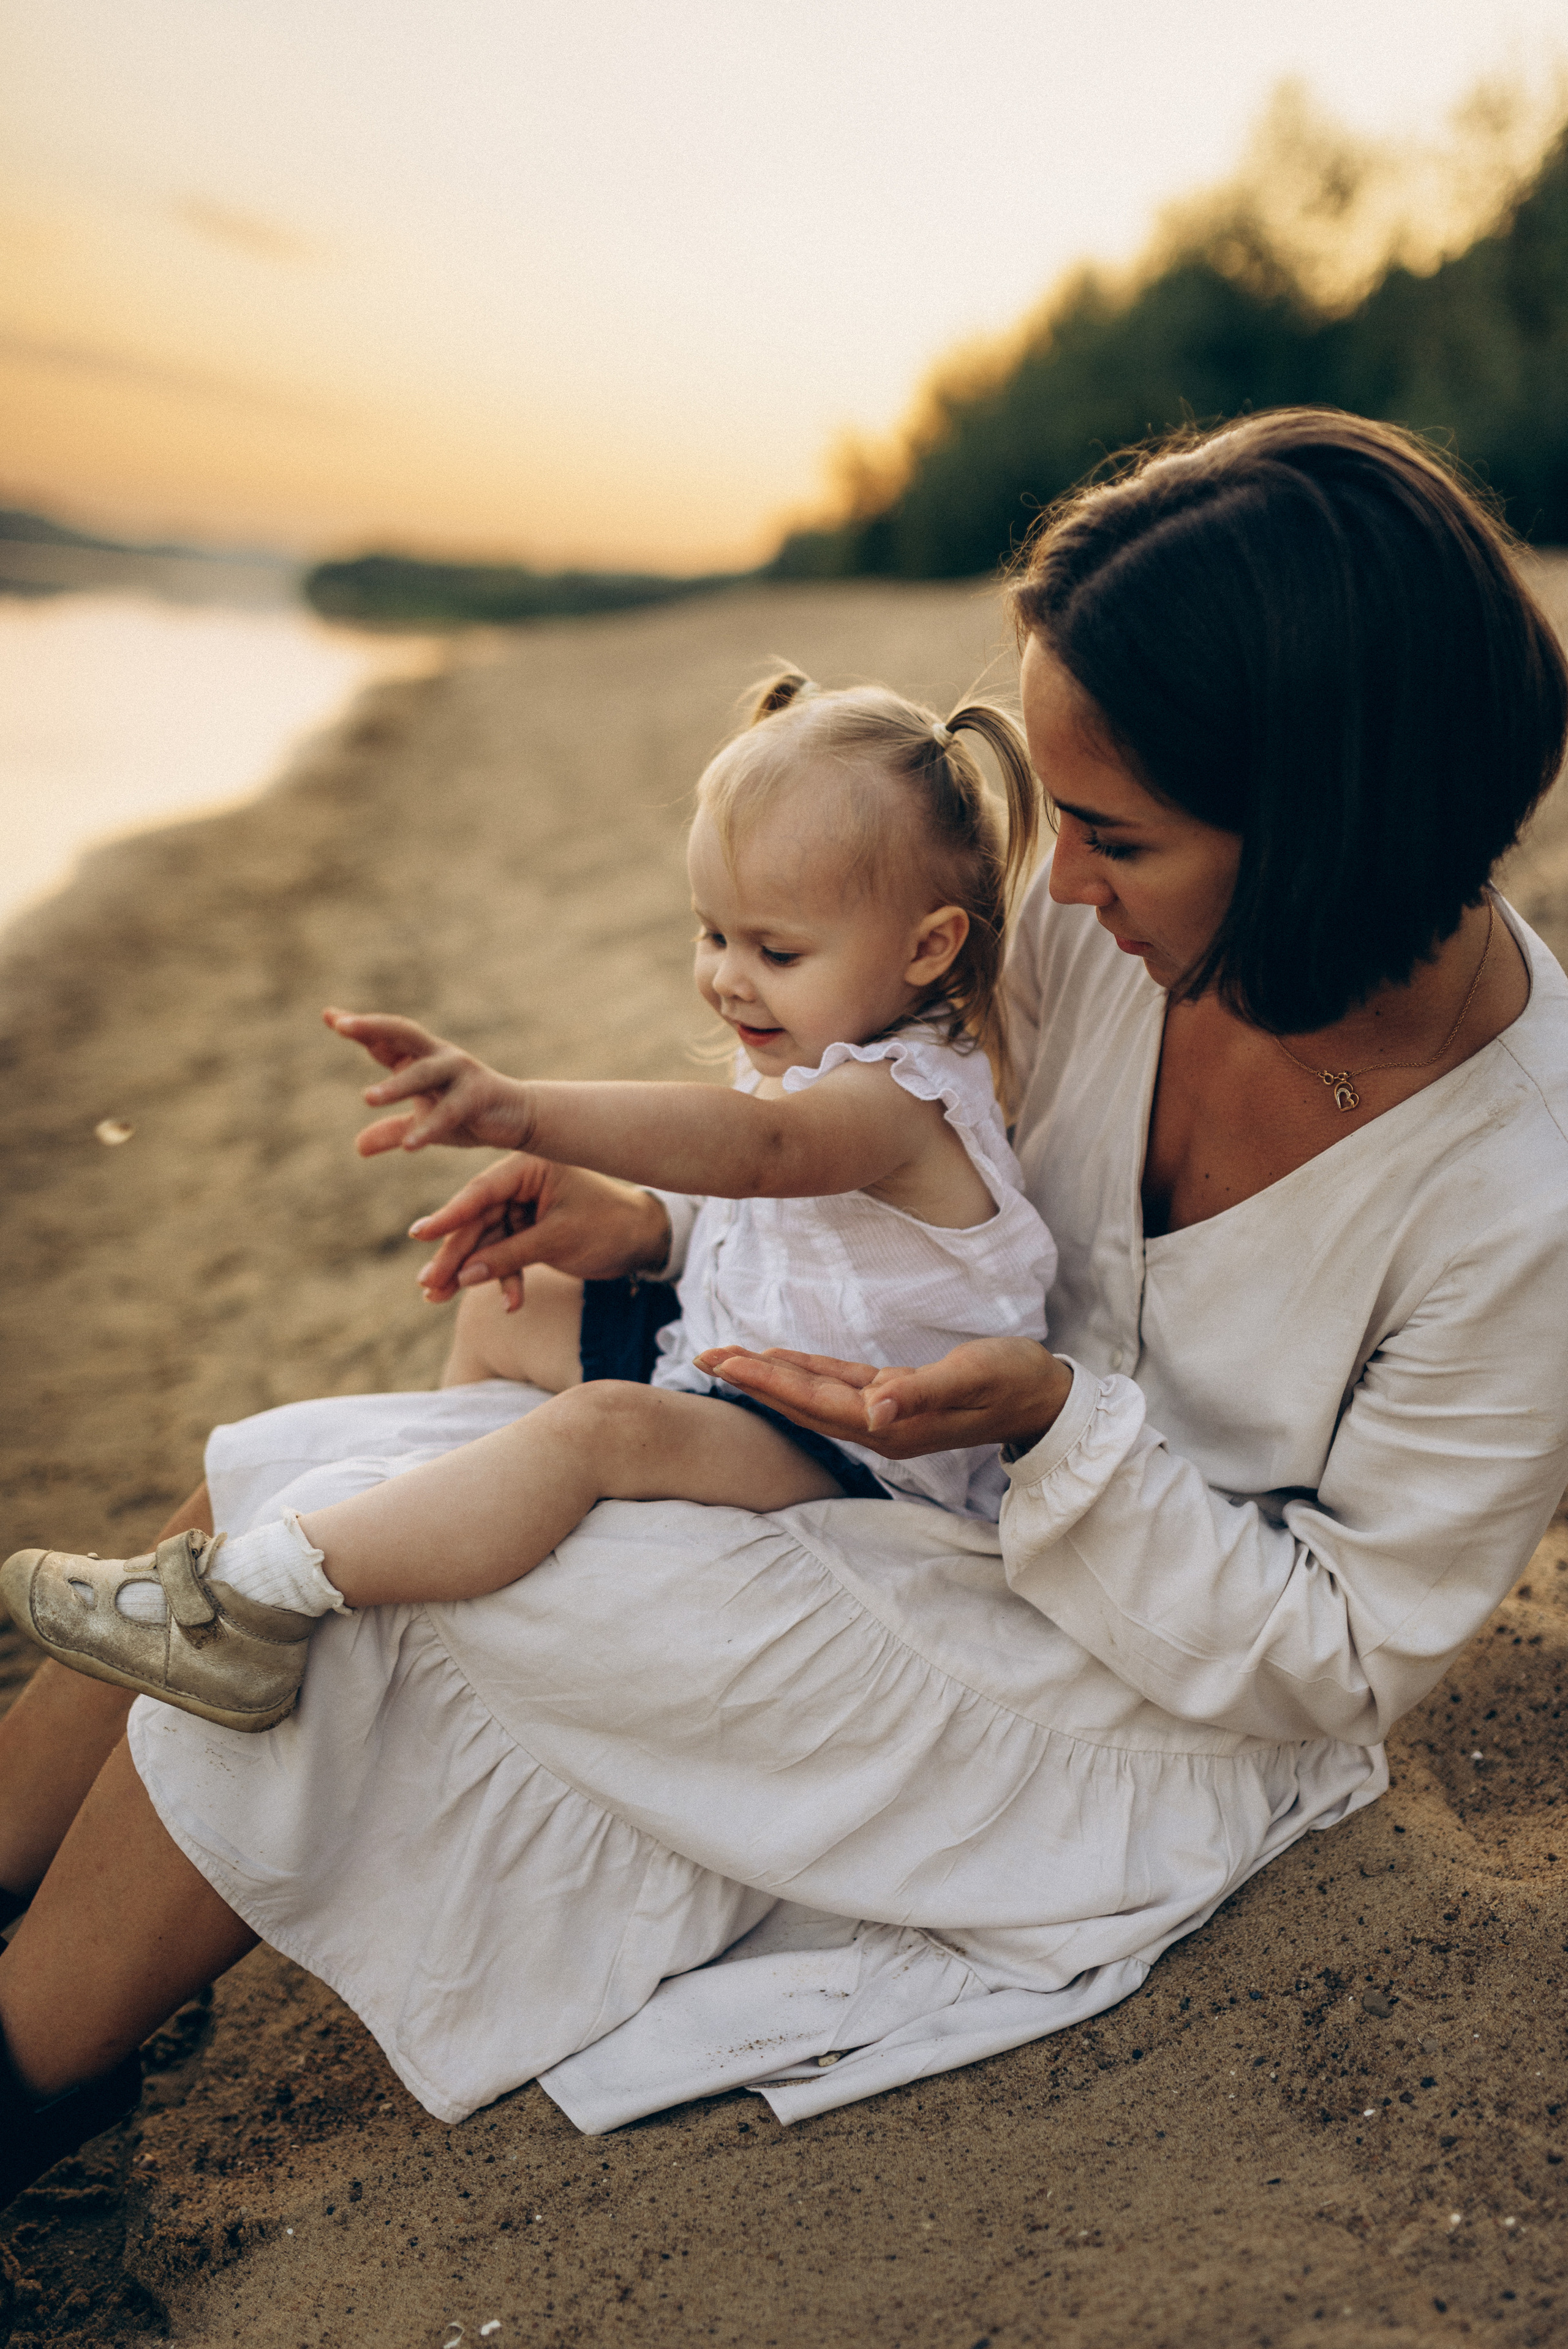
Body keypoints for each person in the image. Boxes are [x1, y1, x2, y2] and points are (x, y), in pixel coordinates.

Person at [3, 409, 1566, 2209]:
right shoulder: (1104, 932)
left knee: (415, 1602)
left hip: (1131, 1683)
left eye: (1116, 839)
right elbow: (875, 1141)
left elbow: (1345, 1660)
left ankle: (31, 2063)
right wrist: (649, 1223)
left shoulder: (1527, 1193)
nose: (1051, 890)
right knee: (297, 1470)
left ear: (1317, 832)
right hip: (882, 1462)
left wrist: (1054, 1429)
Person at [2, 676, 1054, 1731]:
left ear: (929, 947)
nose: (729, 980)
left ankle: (255, 1601)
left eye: (775, 951)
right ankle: (436, 1490)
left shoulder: (902, 1098)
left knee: (607, 1425)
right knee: (516, 1300)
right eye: (712, 935)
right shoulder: (818, 1044)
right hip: (740, 1373)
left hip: (862, 1464)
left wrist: (518, 1111)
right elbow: (762, 1224)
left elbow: (763, 1154)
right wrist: (644, 1228)